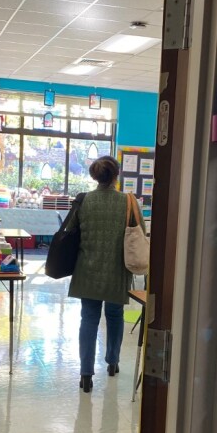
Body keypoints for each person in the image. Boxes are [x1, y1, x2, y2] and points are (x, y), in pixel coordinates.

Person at [68, 156, 144, 393]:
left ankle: (86, 374)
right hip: (116, 271)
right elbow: (140, 231)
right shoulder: (128, 202)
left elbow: (72, 232)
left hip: (87, 270)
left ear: (94, 176)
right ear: (116, 175)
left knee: (88, 319)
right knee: (114, 315)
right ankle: (112, 362)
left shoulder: (84, 201)